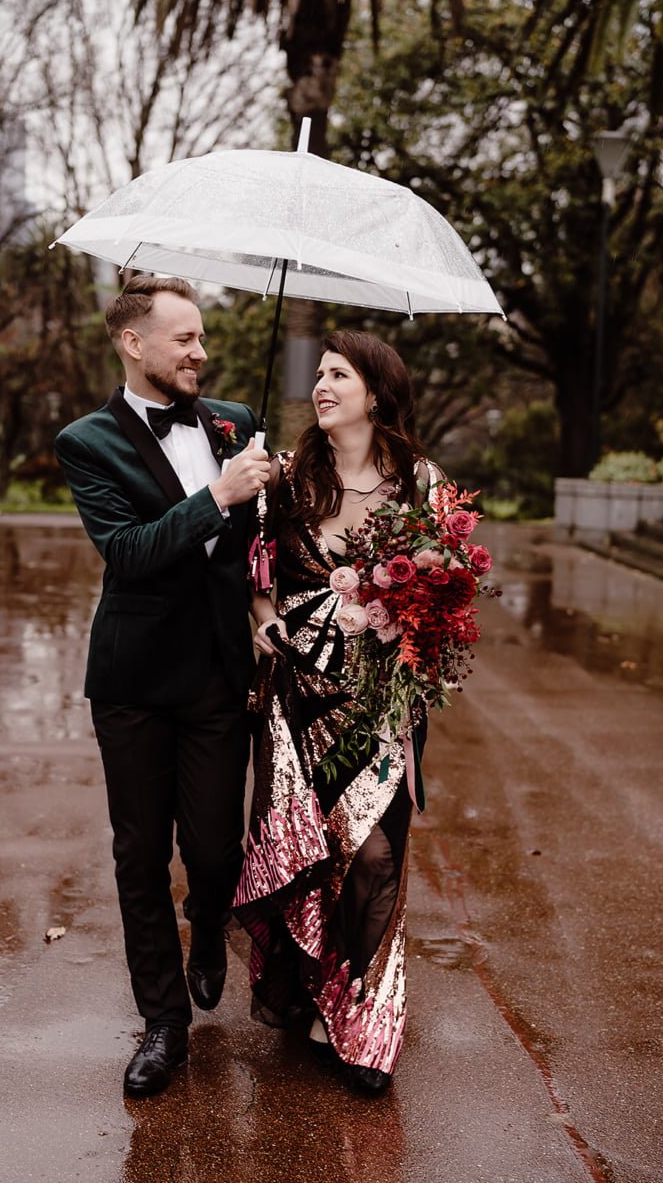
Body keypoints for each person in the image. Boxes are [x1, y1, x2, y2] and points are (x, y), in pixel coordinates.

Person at [54, 274, 270, 1098]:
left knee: (214, 850)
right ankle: (164, 1022)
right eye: (185, 338)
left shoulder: (235, 423)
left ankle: (209, 925)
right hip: (135, 678)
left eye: (202, 336)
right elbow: (129, 551)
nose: (201, 352)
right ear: (132, 342)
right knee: (139, 852)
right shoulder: (86, 442)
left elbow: (258, 545)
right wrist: (219, 494)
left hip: (218, 670)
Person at [233, 329, 441, 1095]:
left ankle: (362, 1017)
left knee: (375, 855)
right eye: (318, 374)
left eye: (339, 375)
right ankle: (317, 992)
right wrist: (263, 619)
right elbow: (258, 578)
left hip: (380, 703)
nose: (321, 385)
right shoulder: (288, 478)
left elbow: (444, 592)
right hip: (296, 698)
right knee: (314, 856)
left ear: (377, 393)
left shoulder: (420, 483)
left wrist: (413, 625)